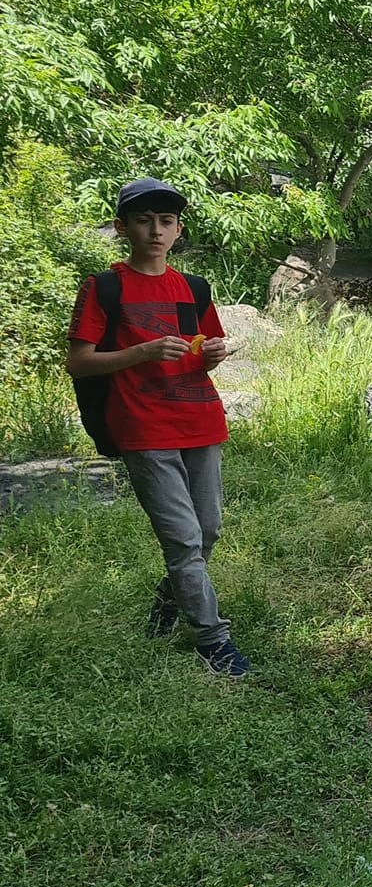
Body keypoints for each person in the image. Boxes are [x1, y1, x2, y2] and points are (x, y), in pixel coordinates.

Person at [66, 178, 251, 677]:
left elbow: (208, 349)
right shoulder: (104, 287)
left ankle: (172, 597)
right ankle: (214, 640)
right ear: (123, 227)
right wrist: (141, 352)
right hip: (142, 428)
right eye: (144, 220)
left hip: (201, 420)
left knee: (206, 530)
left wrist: (213, 353)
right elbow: (79, 362)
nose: (155, 230)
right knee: (184, 539)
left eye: (165, 221)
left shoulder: (193, 287)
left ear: (178, 229)